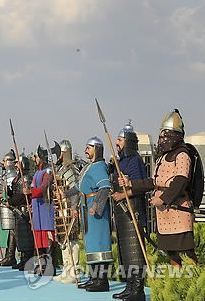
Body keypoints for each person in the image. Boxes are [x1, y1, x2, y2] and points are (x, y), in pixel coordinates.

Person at [119, 109, 197, 267]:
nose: (161, 139)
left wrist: (162, 199)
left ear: (173, 135)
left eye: (164, 135)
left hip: (178, 209)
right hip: (165, 214)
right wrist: (130, 183)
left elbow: (180, 181)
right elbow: (153, 181)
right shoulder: (162, 157)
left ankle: (194, 283)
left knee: (187, 252)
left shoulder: (183, 154)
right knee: (172, 253)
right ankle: (177, 283)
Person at [61, 136, 113, 292]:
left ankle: (102, 281)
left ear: (96, 149)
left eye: (88, 148)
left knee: (100, 244)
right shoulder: (89, 167)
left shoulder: (99, 167)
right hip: (86, 208)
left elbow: (104, 188)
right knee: (91, 245)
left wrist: (96, 205)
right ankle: (94, 278)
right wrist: (65, 194)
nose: (85, 150)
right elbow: (78, 186)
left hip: (96, 211)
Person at [111, 123, 147, 301]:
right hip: (121, 213)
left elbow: (140, 186)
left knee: (135, 252)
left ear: (128, 141)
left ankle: (138, 290)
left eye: (119, 140)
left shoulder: (136, 161)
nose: (116, 143)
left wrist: (122, 194)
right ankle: (129, 286)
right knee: (125, 252)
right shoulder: (120, 162)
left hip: (133, 210)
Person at [24, 144, 56, 275]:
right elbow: (34, 187)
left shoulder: (48, 172)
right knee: (39, 239)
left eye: (36, 156)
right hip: (37, 209)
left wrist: (30, 192)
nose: (34, 158)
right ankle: (42, 264)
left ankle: (50, 266)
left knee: (47, 237)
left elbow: (44, 188)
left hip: (46, 209)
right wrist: (31, 201)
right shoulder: (37, 172)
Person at [52, 140, 80, 284]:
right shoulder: (61, 170)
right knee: (63, 239)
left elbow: (75, 190)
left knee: (72, 239)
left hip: (69, 209)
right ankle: (66, 269)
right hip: (61, 208)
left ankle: (73, 271)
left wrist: (74, 207)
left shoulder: (70, 170)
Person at [5, 154, 34, 271]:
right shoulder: (18, 177)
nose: (16, 165)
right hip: (17, 211)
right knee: (20, 237)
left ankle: (28, 261)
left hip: (24, 211)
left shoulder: (26, 178)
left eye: (18, 163)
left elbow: (23, 196)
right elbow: (15, 193)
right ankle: (23, 260)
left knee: (26, 237)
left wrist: (11, 202)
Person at [0, 150, 18, 266]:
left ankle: (11, 256)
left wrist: (1, 196)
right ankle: (8, 255)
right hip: (4, 206)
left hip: (9, 206)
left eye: (4, 160)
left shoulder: (12, 175)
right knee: (9, 232)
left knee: (12, 232)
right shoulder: (6, 175)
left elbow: (11, 193)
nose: (2, 163)